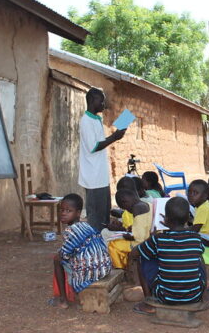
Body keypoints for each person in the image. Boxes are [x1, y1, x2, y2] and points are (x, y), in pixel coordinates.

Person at [132, 197, 209, 314]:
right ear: (188, 219)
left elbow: (134, 253)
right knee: (199, 258)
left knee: (142, 257)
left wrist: (150, 238)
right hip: (194, 296)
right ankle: (206, 294)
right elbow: (199, 261)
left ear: (166, 219)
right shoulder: (196, 238)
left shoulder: (158, 239)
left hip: (164, 296)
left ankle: (149, 303)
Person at [51, 194, 112, 309]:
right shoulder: (86, 225)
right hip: (105, 267)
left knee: (57, 260)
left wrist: (61, 254)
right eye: (62, 210)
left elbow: (64, 254)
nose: (63, 213)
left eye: (68, 211)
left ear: (78, 213)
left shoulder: (71, 231)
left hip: (92, 272)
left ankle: (63, 300)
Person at [79, 88, 126, 232]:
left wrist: (118, 134)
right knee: (95, 218)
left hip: (100, 176)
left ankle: (103, 244)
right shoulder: (86, 121)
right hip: (93, 178)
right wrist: (114, 137)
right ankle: (95, 247)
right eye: (101, 100)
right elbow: (94, 146)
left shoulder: (96, 119)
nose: (103, 104)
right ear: (92, 100)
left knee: (104, 215)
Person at [108, 189, 152, 273]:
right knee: (119, 244)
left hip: (139, 243)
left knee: (113, 245)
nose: (127, 211)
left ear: (125, 202)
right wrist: (132, 228)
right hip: (148, 238)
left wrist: (127, 236)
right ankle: (126, 264)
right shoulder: (146, 204)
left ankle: (120, 270)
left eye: (125, 208)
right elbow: (143, 225)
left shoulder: (136, 208)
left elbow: (138, 237)